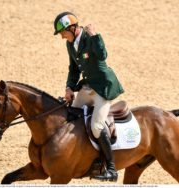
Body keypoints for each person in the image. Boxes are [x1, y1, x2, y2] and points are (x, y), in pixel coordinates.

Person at [54, 12, 124, 181]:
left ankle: (112, 169)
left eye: (63, 32)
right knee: (71, 119)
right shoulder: (71, 44)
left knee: (96, 127)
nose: (62, 37)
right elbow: (74, 69)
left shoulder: (90, 38)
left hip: (102, 89)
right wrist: (69, 88)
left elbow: (102, 55)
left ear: (72, 28)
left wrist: (95, 36)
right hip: (87, 88)